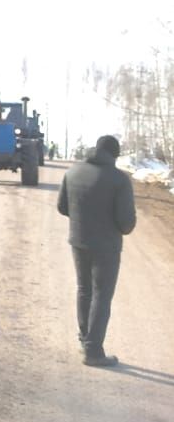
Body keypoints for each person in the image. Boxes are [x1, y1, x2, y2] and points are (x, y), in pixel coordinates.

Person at [57, 134, 136, 367]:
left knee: (84, 289)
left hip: (78, 241)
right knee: (102, 295)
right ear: (115, 154)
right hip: (106, 247)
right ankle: (93, 351)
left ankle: (85, 339)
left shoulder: (73, 172)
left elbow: (62, 207)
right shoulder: (119, 180)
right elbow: (126, 224)